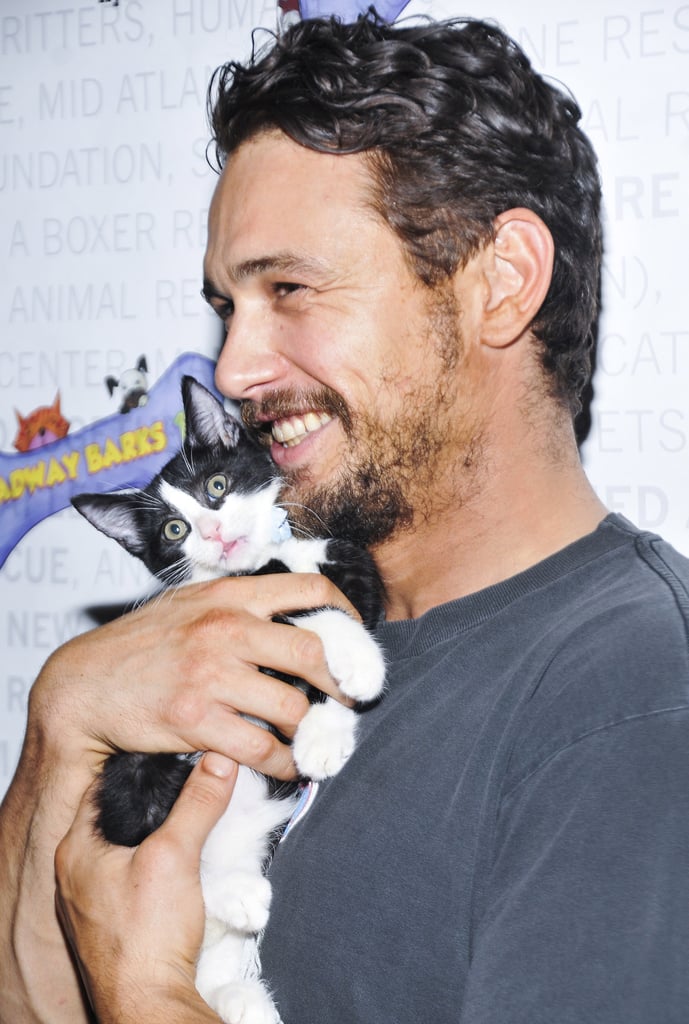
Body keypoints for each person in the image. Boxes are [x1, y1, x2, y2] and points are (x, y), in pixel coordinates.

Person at [2, 12, 689, 1024]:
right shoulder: (239, 629)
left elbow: (118, 976)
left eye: (288, 287)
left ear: (499, 284)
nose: (232, 370)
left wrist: (142, 990)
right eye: (227, 304)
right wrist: (59, 724)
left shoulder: (629, 698)